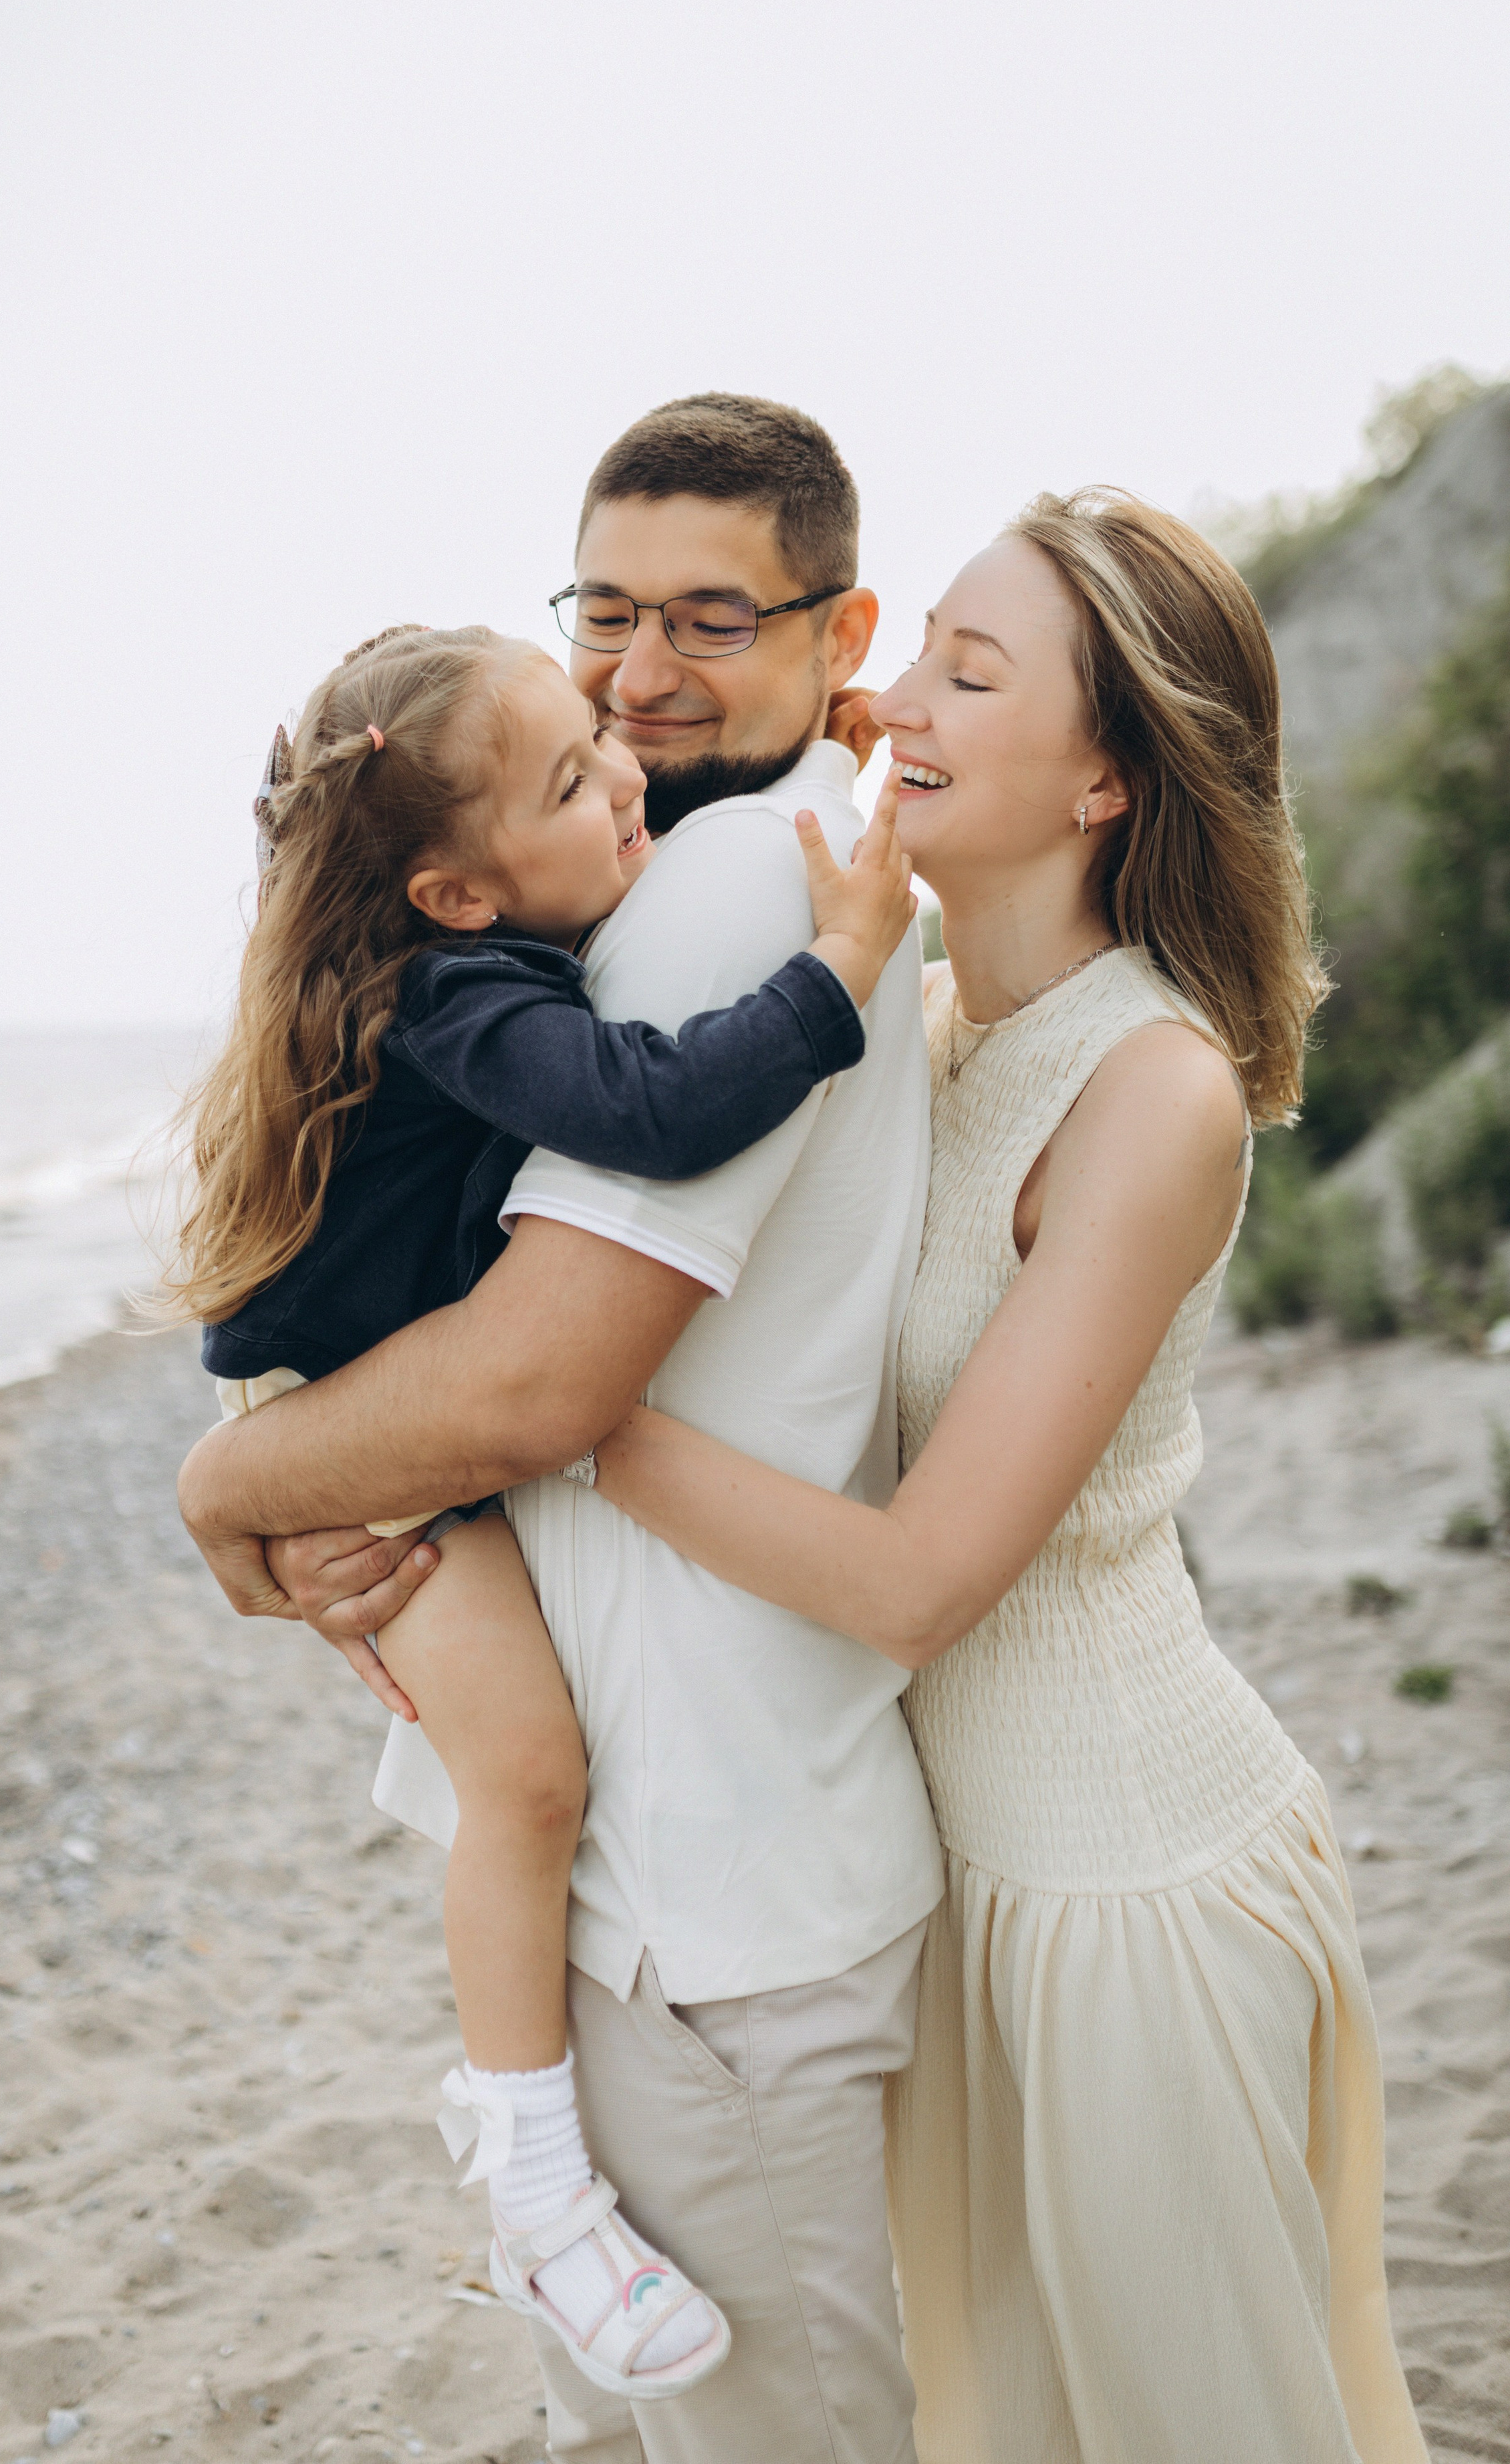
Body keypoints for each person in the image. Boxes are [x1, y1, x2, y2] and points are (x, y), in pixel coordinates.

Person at [582, 491, 1431, 2462]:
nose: (895, 703)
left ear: (1108, 777)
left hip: (1125, 1876)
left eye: (969, 676)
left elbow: (919, 1578)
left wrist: (561, 1421)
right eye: (911, 659)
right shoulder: (921, 1014)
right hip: (945, 1879)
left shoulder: (1157, 1091)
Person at [177, 393, 943, 2464]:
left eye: (711, 617)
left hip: (698, 1872)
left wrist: (235, 1483)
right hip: (659, 1860)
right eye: (604, 613)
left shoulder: (725, 889)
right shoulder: (633, 897)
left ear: (838, 633)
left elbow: (533, 1383)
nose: (636, 678)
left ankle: (519, 2150)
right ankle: (522, 2148)